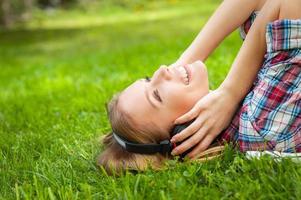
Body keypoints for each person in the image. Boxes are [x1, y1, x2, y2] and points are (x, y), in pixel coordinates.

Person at [98, 0, 301, 174]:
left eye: (149, 78)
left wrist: (184, 62)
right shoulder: (260, 124)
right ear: (184, 131)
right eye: (157, 95)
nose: (162, 70)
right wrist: (229, 91)